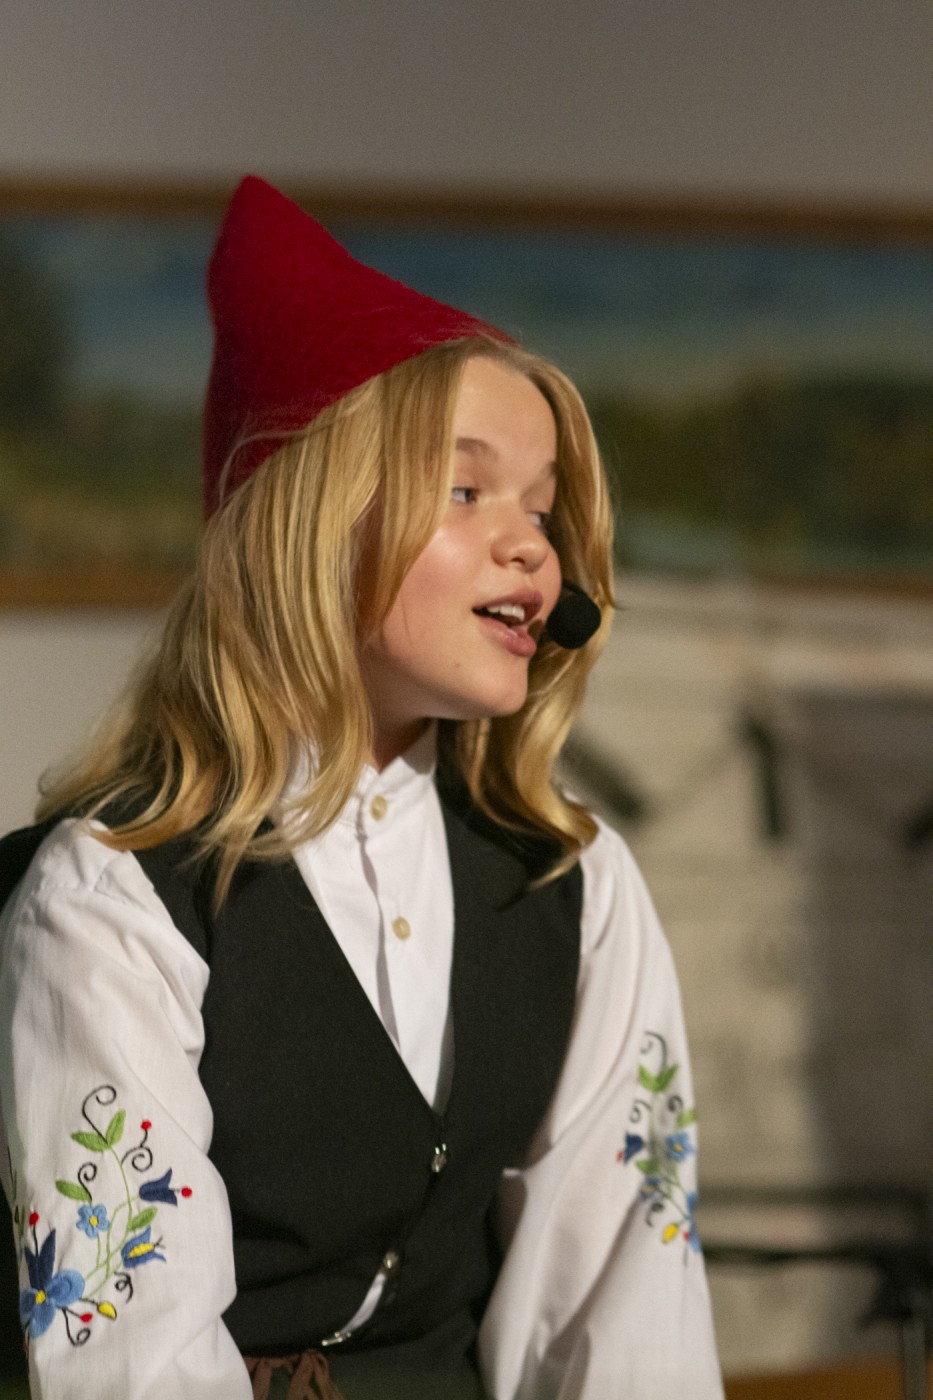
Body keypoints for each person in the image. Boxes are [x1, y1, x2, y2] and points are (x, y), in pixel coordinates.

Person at [0, 177, 723, 1400]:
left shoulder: (575, 885)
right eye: (466, 489)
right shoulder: (110, 897)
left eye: (543, 508)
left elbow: (629, 1326)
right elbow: (134, 1364)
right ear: (307, 517)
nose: (532, 545)